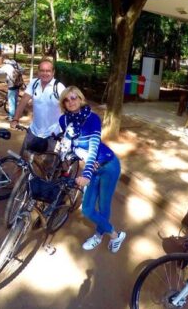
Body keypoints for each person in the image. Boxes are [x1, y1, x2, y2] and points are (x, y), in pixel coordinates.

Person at [59, 86, 126, 253]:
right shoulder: (64, 121)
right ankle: (115, 235)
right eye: (67, 99)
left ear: (81, 99)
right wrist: (78, 153)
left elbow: (94, 147)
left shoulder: (93, 119)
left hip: (108, 165)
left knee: (104, 205)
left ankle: (99, 234)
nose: (71, 101)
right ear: (63, 103)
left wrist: (86, 173)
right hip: (92, 166)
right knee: (88, 209)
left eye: (74, 97)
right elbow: (70, 145)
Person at [10, 58, 66, 155]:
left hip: (52, 133)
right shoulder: (34, 83)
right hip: (34, 130)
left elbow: (69, 108)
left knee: (45, 166)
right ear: (38, 72)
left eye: (48, 71)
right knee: (22, 161)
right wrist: (15, 119)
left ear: (53, 72)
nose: (45, 73)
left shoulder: (59, 87)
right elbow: (23, 101)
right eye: (42, 70)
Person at [0, 54, 24, 121]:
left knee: (11, 102)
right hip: (18, 84)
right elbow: (22, 70)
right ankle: (16, 115)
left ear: (4, 59)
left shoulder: (6, 66)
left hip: (11, 85)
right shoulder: (15, 64)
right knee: (15, 100)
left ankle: (11, 117)